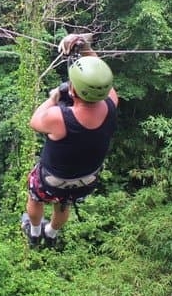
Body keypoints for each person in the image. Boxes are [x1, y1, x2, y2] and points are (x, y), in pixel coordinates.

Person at [21, 33, 118, 248]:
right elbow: (99, 76)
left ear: (72, 89)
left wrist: (53, 98)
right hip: (86, 181)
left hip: (51, 181)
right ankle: (52, 233)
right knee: (63, 205)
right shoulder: (112, 102)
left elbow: (35, 121)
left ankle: (35, 232)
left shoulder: (60, 118)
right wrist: (83, 46)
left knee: (35, 198)